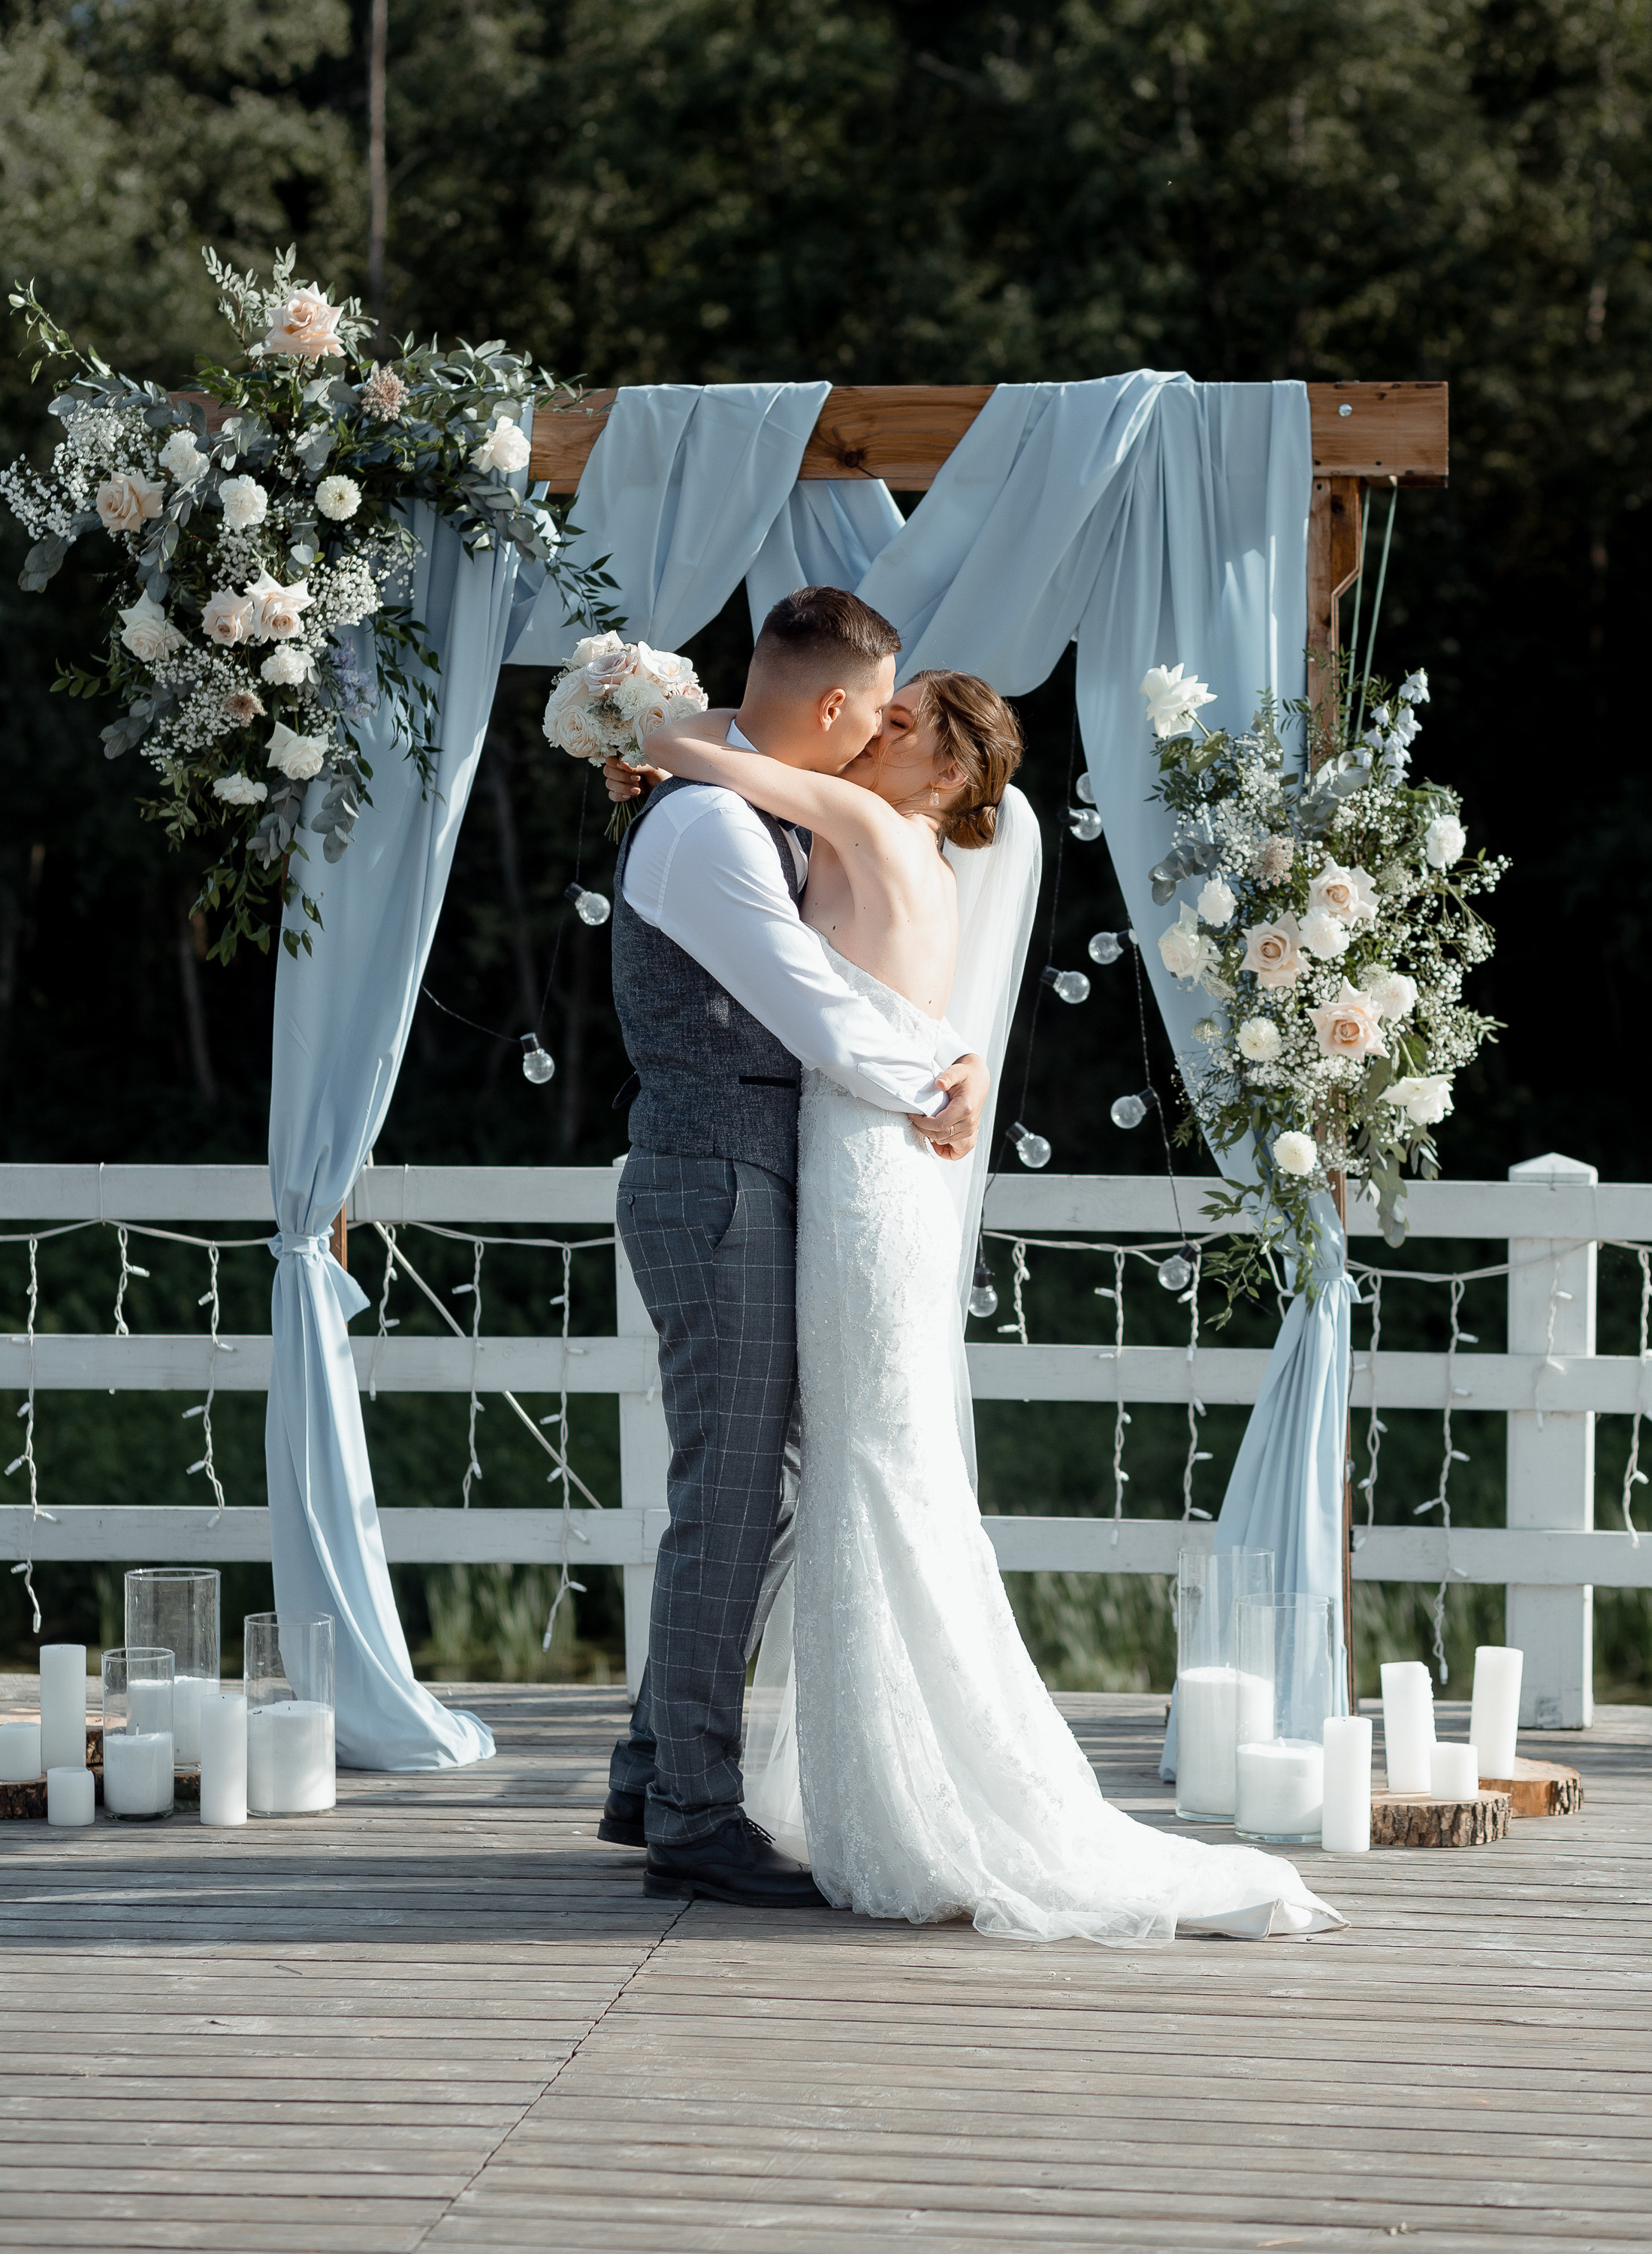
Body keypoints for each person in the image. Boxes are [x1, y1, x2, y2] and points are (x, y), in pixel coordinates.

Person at [640, 663, 1348, 1944]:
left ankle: (913, 1792)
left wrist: (640, 724)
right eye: (876, 711)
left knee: (869, 1462)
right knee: (862, 1464)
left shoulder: (872, 828)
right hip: (863, 1160)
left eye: (900, 725)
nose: (875, 733)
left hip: (862, 1170)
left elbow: (722, 761)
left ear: (950, 774)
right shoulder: (899, 838)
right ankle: (868, 1787)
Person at [599, 586, 992, 1910]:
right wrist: (940, 1070)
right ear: (838, 710)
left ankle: (654, 1767)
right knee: (735, 1494)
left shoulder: (739, 799)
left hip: (753, 1170)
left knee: (744, 1484)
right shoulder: (710, 823)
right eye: (874, 712)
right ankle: (692, 1813)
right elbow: (811, 1001)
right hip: (717, 1175)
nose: (882, 736)